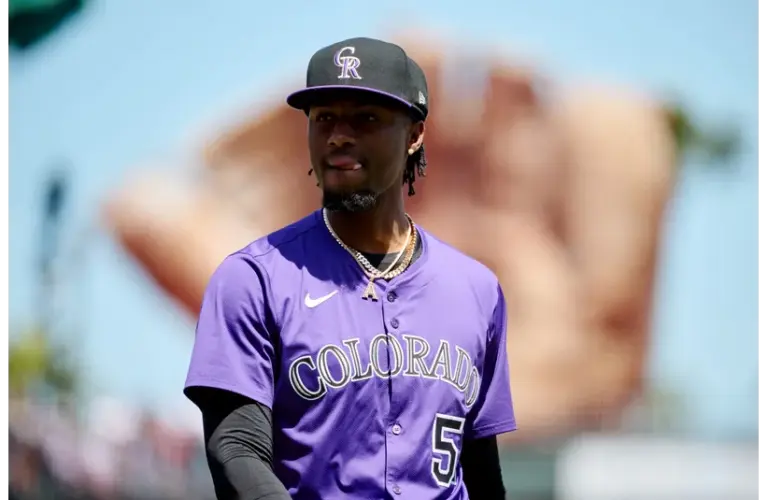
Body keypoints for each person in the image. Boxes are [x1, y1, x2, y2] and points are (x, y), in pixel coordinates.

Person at [183, 37, 516, 500]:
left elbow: (481, 470)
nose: (339, 134)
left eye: (366, 118)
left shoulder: (477, 290)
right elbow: (237, 449)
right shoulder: (253, 279)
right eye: (324, 119)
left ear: (415, 134)